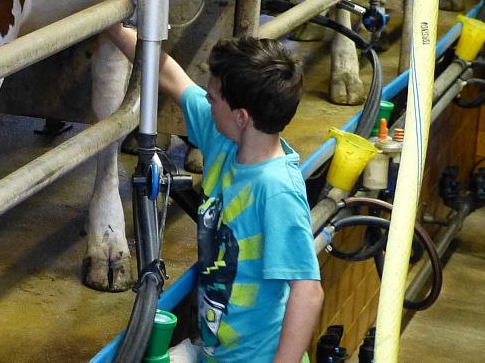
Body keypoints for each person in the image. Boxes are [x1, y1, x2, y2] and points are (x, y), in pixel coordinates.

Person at [106, 25, 324, 363]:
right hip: (215, 351)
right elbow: (168, 74)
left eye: (213, 98)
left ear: (241, 116)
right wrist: (111, 27)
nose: (206, 102)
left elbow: (308, 292)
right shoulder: (222, 138)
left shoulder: (278, 189)